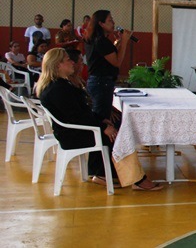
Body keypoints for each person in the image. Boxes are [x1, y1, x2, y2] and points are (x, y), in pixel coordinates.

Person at [36, 48, 161, 191]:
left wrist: (102, 120)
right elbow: (77, 117)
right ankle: (136, 179)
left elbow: (82, 112)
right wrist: (103, 127)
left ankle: (104, 173)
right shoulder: (58, 89)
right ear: (58, 65)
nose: (72, 62)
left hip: (75, 130)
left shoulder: (61, 85)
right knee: (120, 135)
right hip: (73, 135)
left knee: (115, 125)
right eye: (67, 60)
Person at [84, 10, 131, 121]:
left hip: (99, 81)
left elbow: (107, 57)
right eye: (110, 20)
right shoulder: (100, 41)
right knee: (101, 116)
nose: (113, 23)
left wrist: (118, 43)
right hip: (101, 83)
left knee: (102, 113)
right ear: (101, 24)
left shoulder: (97, 39)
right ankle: (100, 137)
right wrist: (124, 42)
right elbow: (117, 62)